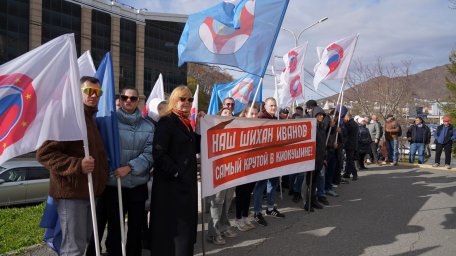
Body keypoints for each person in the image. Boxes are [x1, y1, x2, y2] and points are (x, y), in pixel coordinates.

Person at [36, 76, 109, 255]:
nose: (93, 95)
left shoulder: (91, 118)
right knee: (73, 248)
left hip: (89, 193)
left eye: (97, 92)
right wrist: (78, 165)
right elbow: (44, 154)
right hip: (72, 193)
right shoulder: (67, 116)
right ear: (78, 92)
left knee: (81, 243)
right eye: (88, 91)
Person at [149, 86, 203, 256]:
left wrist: (200, 127)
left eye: (190, 99)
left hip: (185, 187)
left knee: (184, 230)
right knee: (173, 232)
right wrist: (177, 173)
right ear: (174, 100)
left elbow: (193, 147)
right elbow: (158, 153)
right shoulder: (166, 122)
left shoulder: (186, 123)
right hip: (170, 188)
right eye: (182, 99)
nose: (187, 102)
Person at [105, 87, 154, 256]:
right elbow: (103, 150)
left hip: (137, 185)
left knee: (135, 228)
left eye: (133, 98)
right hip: (114, 184)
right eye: (124, 97)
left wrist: (130, 167)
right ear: (119, 99)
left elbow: (149, 154)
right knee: (114, 228)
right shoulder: (109, 123)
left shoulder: (148, 126)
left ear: (138, 101)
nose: (128, 100)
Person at [207, 107, 238, 245]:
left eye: (230, 113)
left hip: (232, 172)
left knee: (227, 200)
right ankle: (213, 233)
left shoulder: (235, 130)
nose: (228, 114)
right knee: (217, 202)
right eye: (225, 113)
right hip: (218, 173)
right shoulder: (213, 130)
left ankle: (223, 227)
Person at [253, 97, 285, 227]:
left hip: (273, 158)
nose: (273, 108)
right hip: (263, 159)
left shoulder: (275, 119)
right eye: (271, 105)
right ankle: (257, 212)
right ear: (265, 106)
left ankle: (270, 208)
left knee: (273, 182)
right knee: (260, 185)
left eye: (274, 105)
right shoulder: (261, 118)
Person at [233, 105, 259, 231]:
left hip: (253, 164)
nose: (254, 116)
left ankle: (244, 216)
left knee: (249, 192)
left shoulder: (258, 127)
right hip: (241, 166)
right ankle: (238, 219)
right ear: (245, 114)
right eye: (252, 113)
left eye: (256, 114)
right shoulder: (238, 126)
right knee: (241, 193)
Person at [304, 106, 328, 211]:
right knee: (308, 183)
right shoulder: (311, 127)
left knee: (314, 182)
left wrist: (324, 157)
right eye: (319, 115)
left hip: (319, 159)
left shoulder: (322, 127)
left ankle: (313, 200)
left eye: (322, 115)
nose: (321, 116)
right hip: (311, 159)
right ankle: (306, 203)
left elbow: (322, 144)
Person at [342, 113, 359, 180]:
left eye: (344, 118)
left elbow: (348, 131)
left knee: (349, 159)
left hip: (350, 144)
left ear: (347, 118)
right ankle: (347, 173)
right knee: (349, 159)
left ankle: (354, 174)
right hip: (352, 143)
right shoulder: (353, 123)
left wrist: (344, 124)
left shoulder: (350, 124)